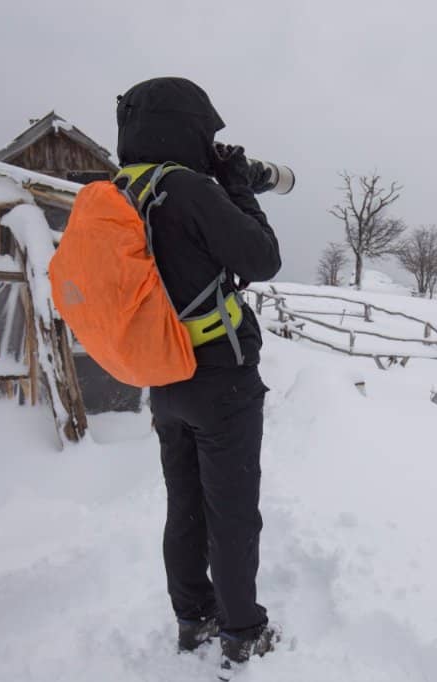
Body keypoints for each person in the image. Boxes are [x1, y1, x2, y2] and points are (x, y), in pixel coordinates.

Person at [115, 77, 282, 673]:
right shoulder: (187, 189)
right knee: (231, 510)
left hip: (163, 374)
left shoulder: (122, 191)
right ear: (188, 128)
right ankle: (242, 632)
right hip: (220, 379)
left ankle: (193, 619)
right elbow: (262, 258)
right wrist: (238, 187)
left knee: (184, 504)